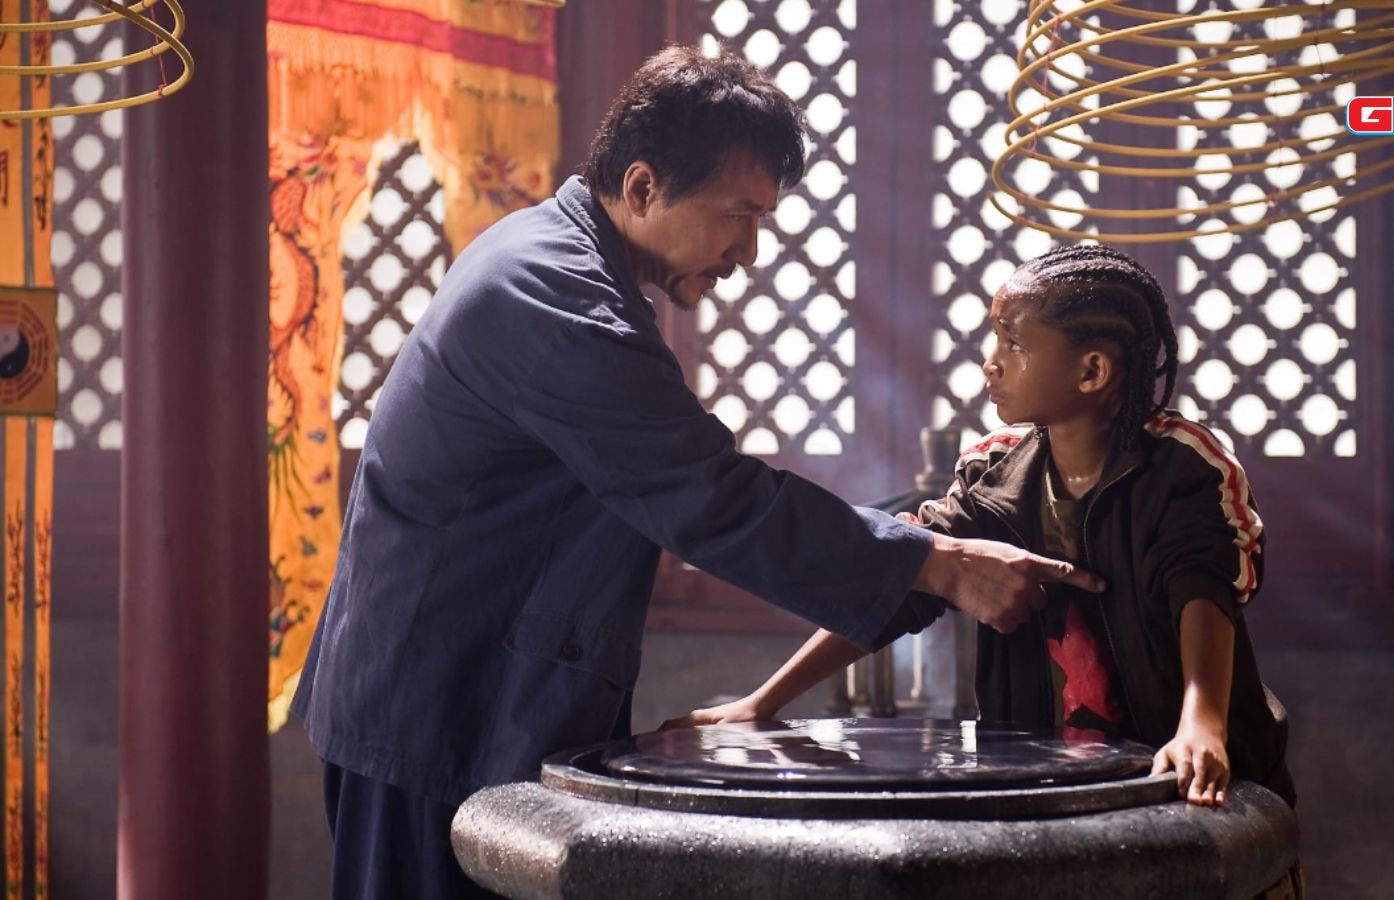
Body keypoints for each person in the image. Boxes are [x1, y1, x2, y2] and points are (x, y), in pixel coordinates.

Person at [290, 46, 1102, 900]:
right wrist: (942, 565)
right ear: (642, 187)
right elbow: (712, 497)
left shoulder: (562, 262)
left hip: (473, 697)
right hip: (439, 713)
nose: (747, 252)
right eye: (738, 216)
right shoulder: (556, 299)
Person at [666, 244, 1297, 817]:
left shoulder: (1185, 464)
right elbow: (901, 579)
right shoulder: (993, 471)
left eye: (1013, 343)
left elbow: (1202, 590)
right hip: (1054, 793)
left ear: (1092, 371)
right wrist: (762, 704)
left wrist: (1201, 726)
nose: (990, 363)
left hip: (1187, 783)